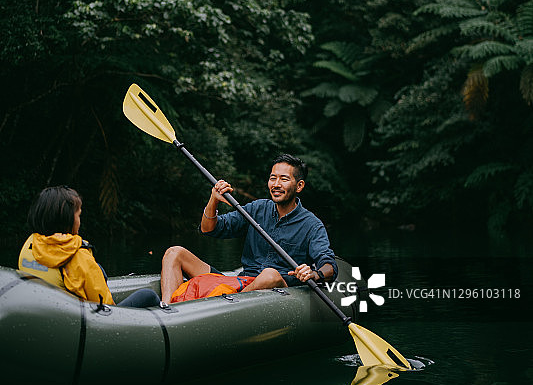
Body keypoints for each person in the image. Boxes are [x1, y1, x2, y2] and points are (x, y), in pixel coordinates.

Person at [161, 154, 337, 304]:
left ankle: (221, 305)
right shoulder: (257, 208)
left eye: (284, 179)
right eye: (273, 178)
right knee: (174, 252)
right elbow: (209, 229)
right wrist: (213, 199)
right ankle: (167, 309)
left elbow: (329, 265)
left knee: (270, 275)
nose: (276, 184)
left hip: (278, 287)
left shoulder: (312, 224)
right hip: (242, 282)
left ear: (299, 186)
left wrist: (313, 274)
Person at [18, 185, 160, 308]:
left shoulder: (30, 244)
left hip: (47, 311)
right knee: (148, 295)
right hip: (87, 321)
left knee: (100, 270)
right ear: (67, 218)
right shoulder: (77, 254)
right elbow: (106, 306)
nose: (79, 221)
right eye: (78, 216)